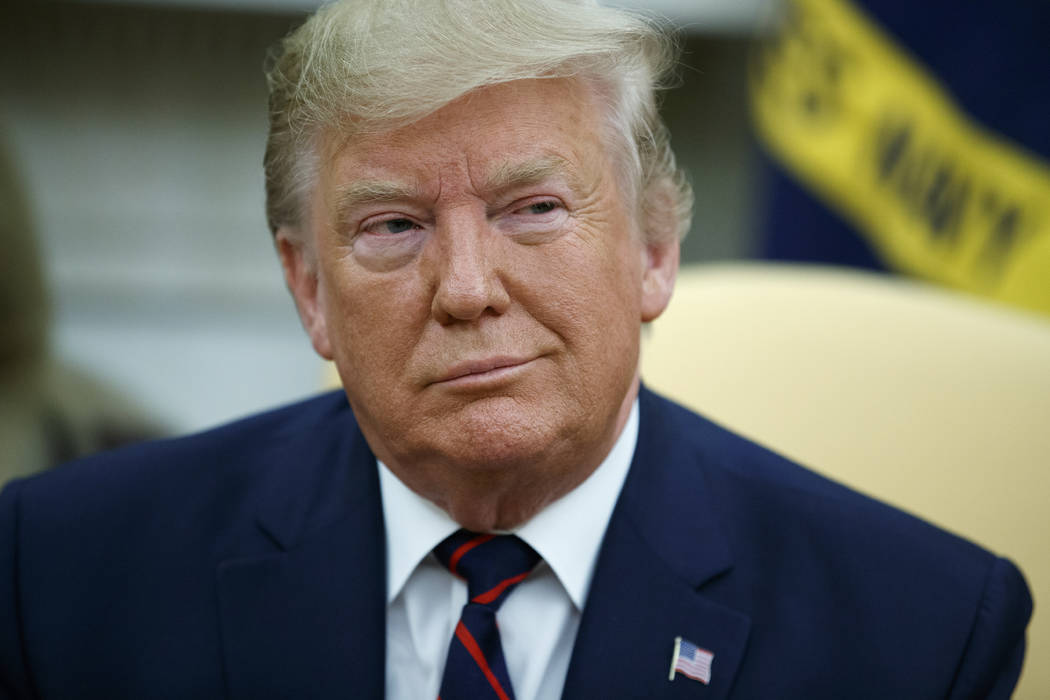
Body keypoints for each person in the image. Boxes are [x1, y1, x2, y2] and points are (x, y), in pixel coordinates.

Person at [0, 0, 1031, 698]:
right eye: (393, 226)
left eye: (533, 209)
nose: (465, 288)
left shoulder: (920, 635)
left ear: (655, 249)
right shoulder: (59, 580)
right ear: (309, 289)